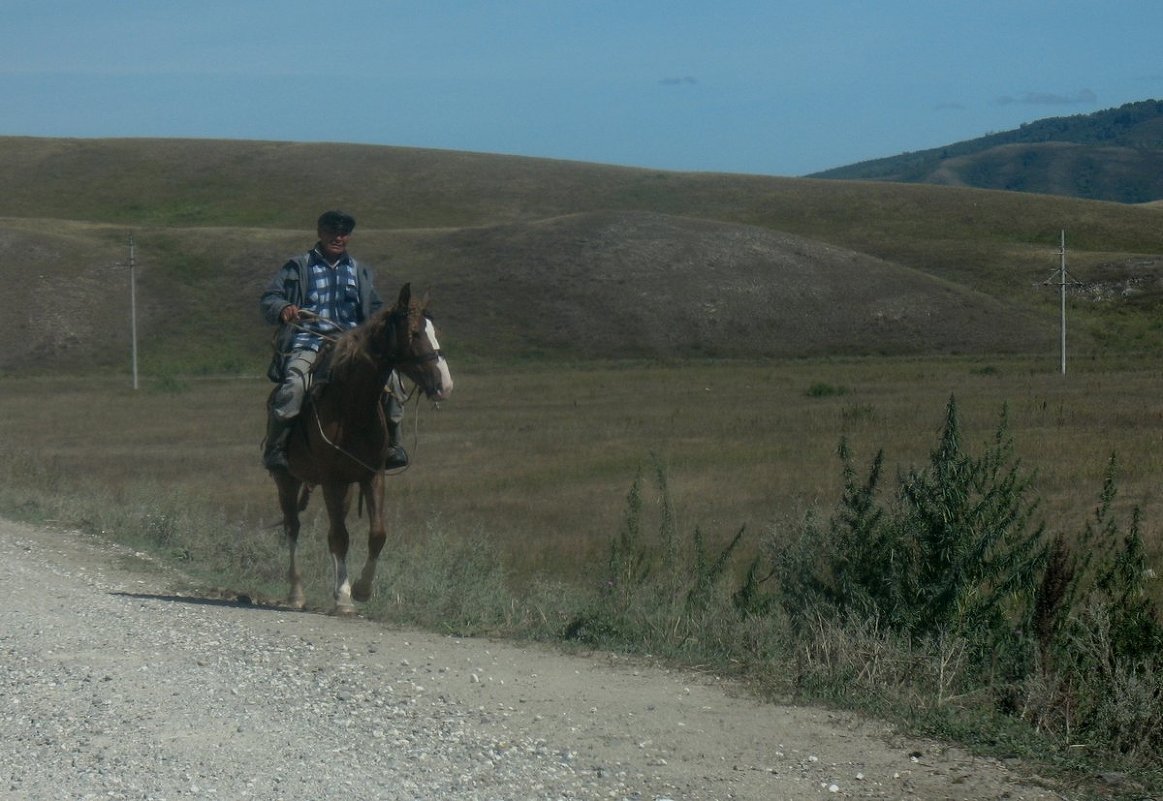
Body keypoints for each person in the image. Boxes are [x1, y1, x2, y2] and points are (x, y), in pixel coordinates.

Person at [259, 210, 408, 471]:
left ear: (348, 237)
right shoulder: (298, 267)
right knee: (294, 385)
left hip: (352, 344)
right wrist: (283, 309)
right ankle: (276, 448)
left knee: (392, 381)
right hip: (308, 341)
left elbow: (375, 310)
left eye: (344, 233)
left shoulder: (359, 272)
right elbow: (269, 298)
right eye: (332, 232)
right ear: (320, 232)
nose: (338, 237)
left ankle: (393, 446)